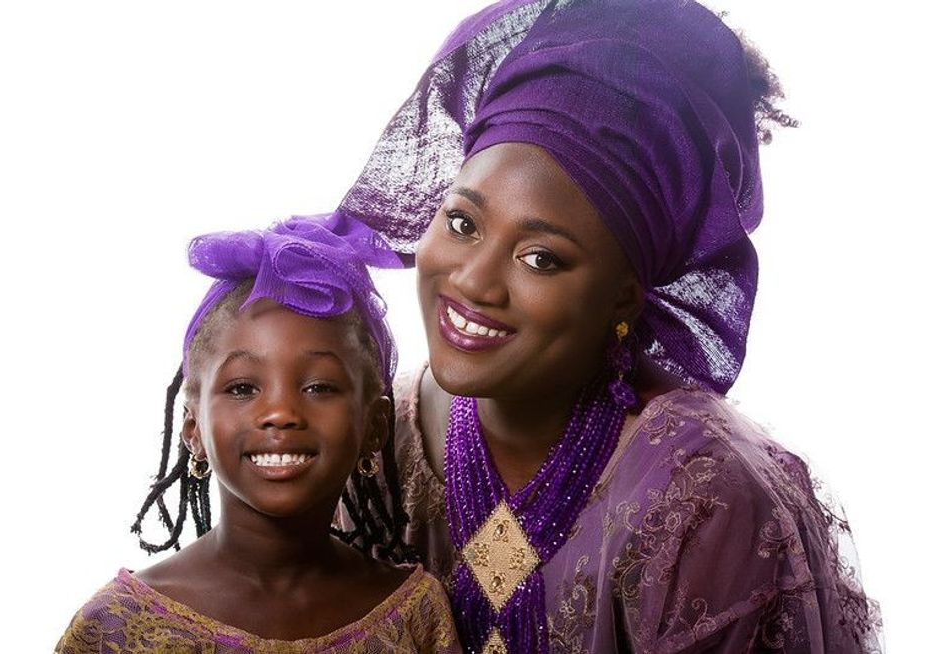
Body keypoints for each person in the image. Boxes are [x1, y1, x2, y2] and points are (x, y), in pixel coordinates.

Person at [335, 1, 882, 652]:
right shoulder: (381, 435)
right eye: (461, 222)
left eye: (541, 258)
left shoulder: (704, 505)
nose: (474, 281)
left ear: (625, 297)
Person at [56, 215, 461, 653]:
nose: (281, 413)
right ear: (193, 428)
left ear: (375, 427)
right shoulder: (117, 628)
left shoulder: (413, 615)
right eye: (242, 388)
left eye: (319, 387)